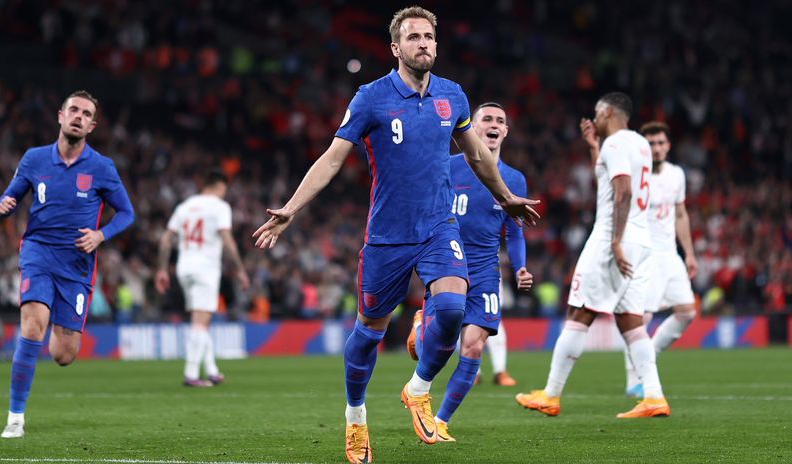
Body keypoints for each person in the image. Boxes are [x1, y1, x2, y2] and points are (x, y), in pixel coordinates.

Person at [251, 6, 539, 463]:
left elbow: (480, 157)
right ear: (395, 48)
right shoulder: (371, 98)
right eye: (414, 37)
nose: (423, 43)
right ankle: (355, 420)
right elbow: (331, 158)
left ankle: (418, 389)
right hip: (387, 237)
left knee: (449, 306)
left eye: (429, 36)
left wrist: (504, 196)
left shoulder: (453, 97)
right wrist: (291, 209)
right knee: (368, 334)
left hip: (437, 227)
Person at [515, 92, 670, 419]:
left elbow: (622, 190)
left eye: (598, 113)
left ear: (610, 112)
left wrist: (614, 240)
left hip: (612, 238)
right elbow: (610, 181)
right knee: (631, 322)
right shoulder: (639, 144)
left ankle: (550, 394)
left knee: (579, 312)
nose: (594, 118)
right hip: (641, 240)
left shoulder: (615, 145)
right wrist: (593, 148)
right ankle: (654, 397)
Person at [0, 90, 135, 438]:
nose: (78, 116)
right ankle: (15, 418)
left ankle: (52, 336)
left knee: (63, 354)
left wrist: (101, 235)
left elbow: (128, 213)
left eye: (86, 114)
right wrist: (6, 201)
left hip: (76, 264)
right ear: (60, 116)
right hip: (39, 251)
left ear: (92, 125)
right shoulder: (34, 159)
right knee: (32, 325)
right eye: (73, 109)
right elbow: (10, 192)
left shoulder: (102, 168)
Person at [406, 102, 532, 442]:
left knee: (474, 346)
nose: (493, 125)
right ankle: (421, 329)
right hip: (448, 264)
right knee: (439, 343)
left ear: (505, 131)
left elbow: (516, 231)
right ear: (471, 128)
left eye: (500, 121)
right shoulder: (447, 167)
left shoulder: (515, 179)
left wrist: (520, 267)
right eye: (486, 119)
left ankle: (441, 421)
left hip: (486, 270)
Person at [155, 170, 250, 387]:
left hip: (183, 267)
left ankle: (212, 370)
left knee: (200, 319)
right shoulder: (220, 207)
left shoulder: (185, 206)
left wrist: (161, 269)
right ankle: (190, 374)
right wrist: (240, 270)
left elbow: (166, 239)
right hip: (205, 267)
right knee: (200, 321)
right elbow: (228, 240)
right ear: (219, 186)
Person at [623, 121, 697, 397]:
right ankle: (634, 380)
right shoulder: (633, 175)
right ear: (643, 146)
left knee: (687, 311)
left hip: (670, 254)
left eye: (660, 143)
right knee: (641, 317)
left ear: (668, 145)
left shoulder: (677, 174)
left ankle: (648, 354)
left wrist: (688, 252)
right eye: (651, 144)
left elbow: (680, 214)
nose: (656, 148)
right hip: (644, 253)